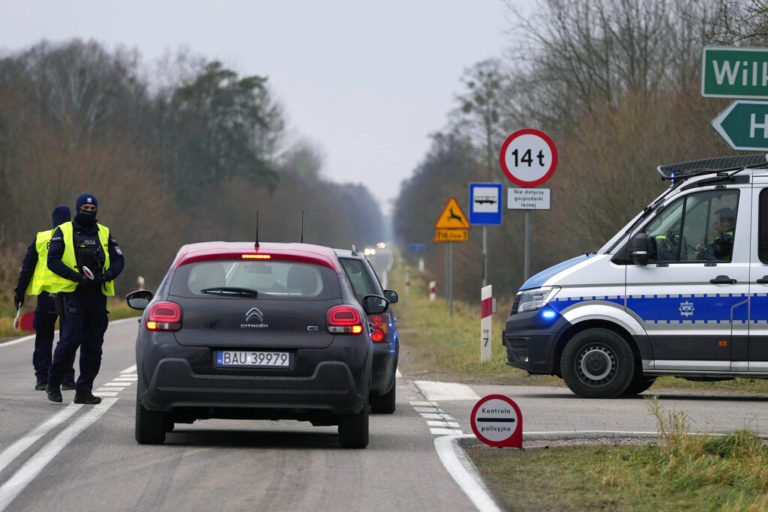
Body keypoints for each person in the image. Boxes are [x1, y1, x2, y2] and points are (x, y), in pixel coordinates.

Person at [45, 193, 124, 404]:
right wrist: (77, 277)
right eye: (85, 209)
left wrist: (106, 276)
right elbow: (52, 261)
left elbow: (119, 260)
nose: (89, 212)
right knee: (70, 340)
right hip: (74, 293)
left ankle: (84, 390)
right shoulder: (63, 231)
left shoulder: (105, 233)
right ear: (78, 209)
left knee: (94, 345)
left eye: (92, 209)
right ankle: (53, 383)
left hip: (97, 294)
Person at [14, 206, 77, 391]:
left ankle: (42, 378)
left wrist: (19, 293)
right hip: (68, 294)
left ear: (53, 219)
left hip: (45, 296)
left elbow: (27, 268)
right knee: (67, 338)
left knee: (43, 337)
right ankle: (66, 378)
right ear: (69, 219)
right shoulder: (74, 238)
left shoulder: (41, 238)